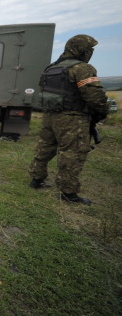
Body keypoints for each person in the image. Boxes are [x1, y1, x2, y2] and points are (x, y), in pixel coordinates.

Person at [28, 35, 109, 206]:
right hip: (72, 118)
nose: (90, 53)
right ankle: (68, 192)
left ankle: (36, 179)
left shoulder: (52, 68)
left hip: (50, 116)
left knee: (45, 147)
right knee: (72, 153)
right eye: (89, 50)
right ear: (82, 50)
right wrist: (102, 112)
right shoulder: (82, 69)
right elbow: (95, 96)